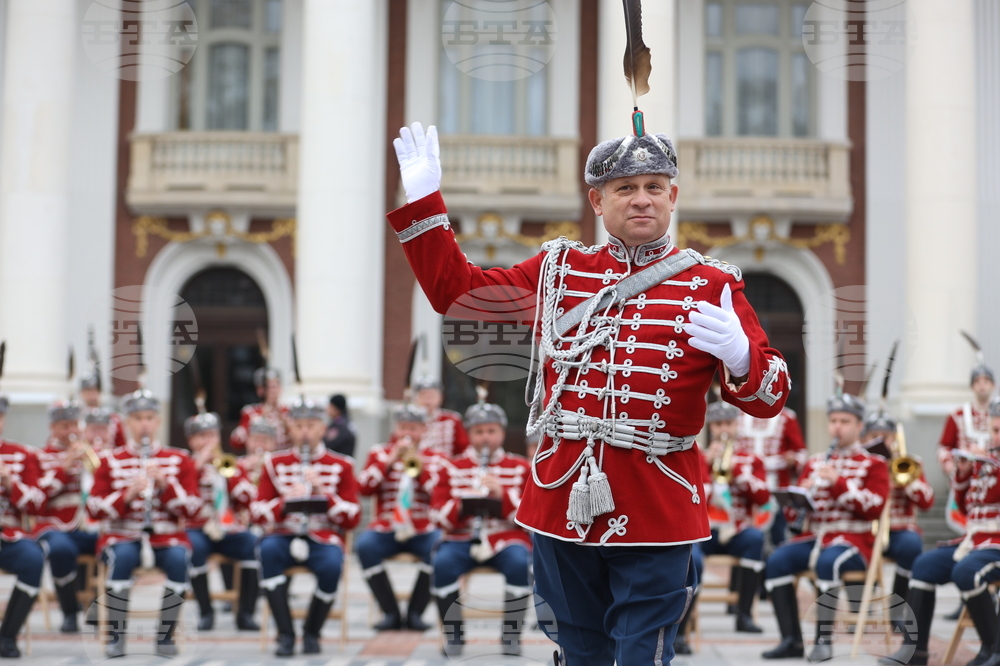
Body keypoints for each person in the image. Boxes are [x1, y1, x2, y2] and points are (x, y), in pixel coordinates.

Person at [388, 121, 791, 664]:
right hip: (562, 495)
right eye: (625, 188)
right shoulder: (559, 270)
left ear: (673, 196)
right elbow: (460, 297)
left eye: (654, 186)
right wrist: (425, 204)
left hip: (657, 501)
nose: (642, 199)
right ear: (597, 201)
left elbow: (769, 398)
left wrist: (743, 358)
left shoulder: (712, 283)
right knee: (578, 650)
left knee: (641, 653)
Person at [761, 393, 890, 662]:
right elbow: (796, 514)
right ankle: (791, 640)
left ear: (858, 426)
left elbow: (874, 507)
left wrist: (839, 483)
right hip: (817, 536)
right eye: (833, 421)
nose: (837, 427)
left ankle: (823, 640)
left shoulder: (874, 464)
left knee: (828, 562)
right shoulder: (815, 462)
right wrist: (798, 497)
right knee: (776, 561)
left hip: (854, 541)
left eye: (845, 421)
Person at [878, 397, 1000, 666]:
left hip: (996, 545)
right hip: (976, 540)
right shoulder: (987, 464)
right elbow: (968, 506)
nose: (994, 438)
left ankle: (993, 648)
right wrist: (965, 474)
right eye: (993, 431)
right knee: (924, 565)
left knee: (966, 571)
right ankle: (915, 651)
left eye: (999, 432)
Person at [86, 389, 203, 658]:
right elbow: (93, 507)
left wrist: (166, 486)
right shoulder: (110, 461)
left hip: (166, 536)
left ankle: (165, 636)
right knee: (122, 557)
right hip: (123, 536)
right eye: (138, 418)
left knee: (178, 558)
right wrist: (125, 496)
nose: (144, 424)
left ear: (158, 421)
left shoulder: (179, 459)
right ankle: (116, 637)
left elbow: (193, 508)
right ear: (128, 422)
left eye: (150, 417)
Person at [252, 397, 361, 657]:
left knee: (333, 564)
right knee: (267, 551)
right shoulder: (274, 463)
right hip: (283, 533)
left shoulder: (342, 464)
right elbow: (257, 513)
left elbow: (353, 517)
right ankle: (285, 634)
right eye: (299, 426)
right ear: (290, 429)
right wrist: (284, 501)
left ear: (323, 429)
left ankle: (312, 632)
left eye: (311, 426)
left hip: (323, 537)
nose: (304, 432)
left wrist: (325, 493)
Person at [430, 402, 532, 657]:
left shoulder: (520, 468)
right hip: (462, 537)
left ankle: (511, 636)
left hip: (504, 539)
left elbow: (529, 516)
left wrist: (502, 494)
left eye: (491, 431)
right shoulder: (451, 467)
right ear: (469, 434)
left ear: (502, 433)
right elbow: (438, 515)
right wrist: (464, 502)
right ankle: (454, 636)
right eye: (479, 432)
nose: (485, 437)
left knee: (521, 563)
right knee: (442, 564)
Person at [676, 400, 769, 652]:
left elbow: (763, 497)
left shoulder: (751, 461)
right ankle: (681, 632)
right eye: (717, 424)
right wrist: (705, 465)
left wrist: (738, 471)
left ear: (737, 424)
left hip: (735, 529)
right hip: (704, 530)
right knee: (692, 560)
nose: (723, 429)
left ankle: (744, 614)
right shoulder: (696, 456)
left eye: (728, 423)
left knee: (755, 540)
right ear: (710, 426)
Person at [356, 404, 440, 632]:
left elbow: (438, 493)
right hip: (387, 525)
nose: (407, 434)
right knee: (364, 546)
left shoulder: (434, 457)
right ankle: (390, 611)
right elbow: (363, 488)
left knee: (439, 548)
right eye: (403, 427)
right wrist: (389, 462)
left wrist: (420, 469)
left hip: (421, 526)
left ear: (423, 430)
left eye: (413, 428)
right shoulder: (379, 453)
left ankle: (415, 612)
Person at [183, 412, 260, 631]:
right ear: (191, 441)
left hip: (227, 527)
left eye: (212, 435)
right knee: (193, 548)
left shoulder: (230, 465)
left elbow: (246, 498)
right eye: (201, 436)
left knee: (252, 545)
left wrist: (230, 475)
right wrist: (198, 465)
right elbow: (178, 490)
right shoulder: (184, 464)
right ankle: (206, 613)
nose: (208, 441)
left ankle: (245, 614)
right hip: (197, 526)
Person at [861, 409, 933, 627]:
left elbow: (927, 502)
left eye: (886, 435)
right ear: (864, 439)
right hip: (868, 528)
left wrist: (908, 482)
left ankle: (897, 609)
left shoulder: (911, 462)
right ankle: (859, 610)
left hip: (900, 530)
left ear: (895, 438)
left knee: (912, 545)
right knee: (858, 547)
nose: (881, 440)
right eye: (874, 436)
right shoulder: (861, 463)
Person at [34, 400, 99, 633]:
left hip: (89, 524)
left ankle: (97, 608)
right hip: (55, 526)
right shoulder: (40, 456)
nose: (71, 431)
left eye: (74, 424)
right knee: (61, 550)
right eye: (64, 426)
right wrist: (65, 465)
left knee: (113, 546)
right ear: (52, 428)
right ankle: (69, 612)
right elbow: (40, 495)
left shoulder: (92, 452)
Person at [0, 393, 46, 658]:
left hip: (9, 537)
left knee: (33, 559)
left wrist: (11, 484)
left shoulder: (21, 455)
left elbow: (38, 502)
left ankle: (7, 635)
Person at [739, 407, 806, 546]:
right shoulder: (740, 415)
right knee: (745, 534)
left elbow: (801, 454)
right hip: (746, 488)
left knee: (777, 535)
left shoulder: (787, 417)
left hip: (777, 488)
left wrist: (793, 460)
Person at [230, 368, 289, 452]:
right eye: (269, 387)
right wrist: (260, 417)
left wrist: (286, 423)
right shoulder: (251, 412)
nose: (274, 391)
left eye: (276, 386)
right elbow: (236, 442)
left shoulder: (288, 411)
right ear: (260, 390)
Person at [410, 377, 468, 458]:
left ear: (440, 398)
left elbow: (463, 449)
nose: (427, 401)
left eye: (431, 396)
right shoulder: (409, 420)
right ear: (416, 399)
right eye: (423, 396)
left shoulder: (452, 419)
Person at [77, 370, 126, 450]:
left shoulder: (114, 419)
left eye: (94, 390)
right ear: (81, 393)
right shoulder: (76, 420)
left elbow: (122, 446)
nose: (91, 395)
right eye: (87, 391)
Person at [323, 394, 356, 458]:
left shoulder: (341, 427)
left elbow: (328, 446)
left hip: (339, 463)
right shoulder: (345, 423)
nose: (327, 409)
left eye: (330, 406)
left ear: (336, 409)